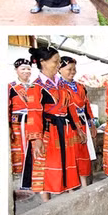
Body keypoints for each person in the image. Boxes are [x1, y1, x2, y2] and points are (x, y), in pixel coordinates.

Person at [23, 47, 84, 200]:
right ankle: (46, 202)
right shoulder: (36, 86)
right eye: (55, 61)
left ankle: (68, 192)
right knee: (45, 164)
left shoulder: (62, 84)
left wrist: (79, 128)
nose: (58, 65)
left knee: (66, 161)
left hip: (65, 127)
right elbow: (34, 113)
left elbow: (70, 108)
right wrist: (36, 139)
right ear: (43, 62)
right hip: (48, 130)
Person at [59, 55, 96, 188]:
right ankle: (70, 185)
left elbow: (86, 105)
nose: (72, 72)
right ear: (59, 69)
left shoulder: (80, 86)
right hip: (69, 125)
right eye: (69, 69)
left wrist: (91, 124)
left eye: (74, 69)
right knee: (71, 154)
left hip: (83, 122)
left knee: (83, 152)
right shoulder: (58, 87)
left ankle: (84, 183)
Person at [9, 58, 32, 177]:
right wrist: (9, 126)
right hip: (17, 123)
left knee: (32, 146)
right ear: (16, 70)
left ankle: (32, 172)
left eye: (28, 69)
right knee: (18, 146)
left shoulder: (35, 87)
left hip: (33, 122)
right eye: (23, 69)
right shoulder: (11, 87)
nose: (26, 71)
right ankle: (19, 174)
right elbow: (7, 106)